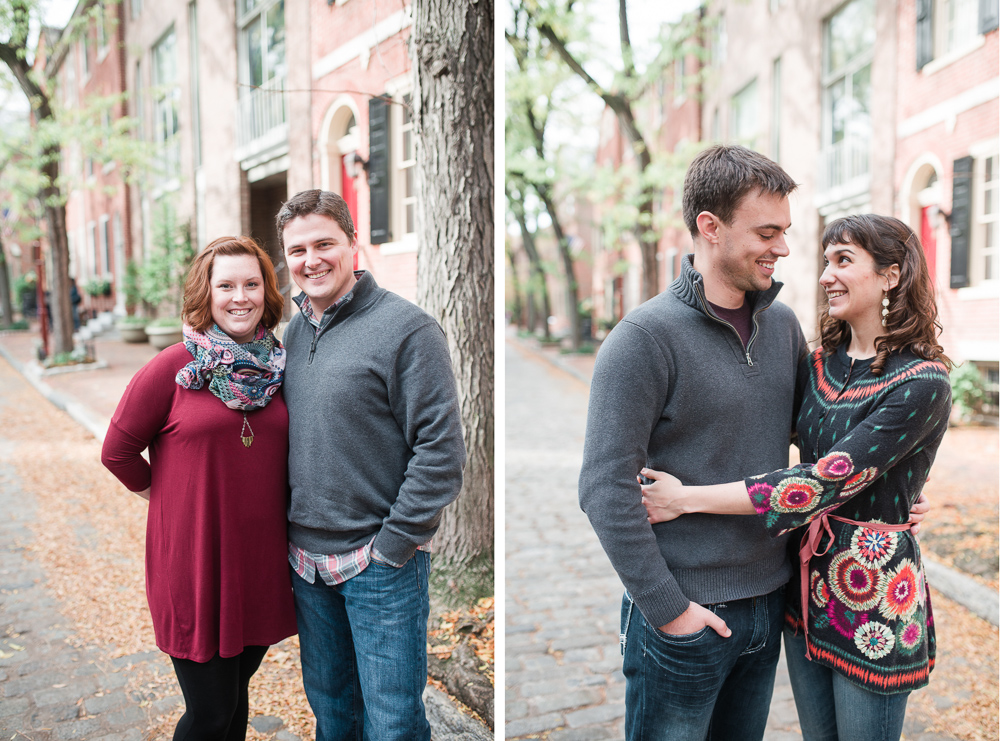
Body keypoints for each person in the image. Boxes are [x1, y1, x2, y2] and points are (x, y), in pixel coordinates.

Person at [641, 214, 951, 741]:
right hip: (803, 593)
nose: (827, 274)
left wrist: (684, 499)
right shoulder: (819, 362)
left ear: (891, 276)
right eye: (826, 261)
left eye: (844, 261)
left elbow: (824, 479)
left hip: (874, 601)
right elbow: (758, 435)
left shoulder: (922, 381)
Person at [579, 144, 806, 740]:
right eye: (767, 231)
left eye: (785, 231)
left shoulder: (783, 326)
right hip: (686, 614)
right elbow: (604, 490)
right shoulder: (643, 339)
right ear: (710, 227)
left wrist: (888, 490)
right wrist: (670, 612)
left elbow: (818, 439)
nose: (782, 248)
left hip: (767, 606)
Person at [275, 190, 466, 741]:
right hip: (307, 565)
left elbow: (441, 452)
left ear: (352, 245)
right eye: (297, 249)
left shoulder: (408, 329)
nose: (311, 260)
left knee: (394, 724)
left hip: (378, 566)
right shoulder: (293, 332)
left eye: (324, 244)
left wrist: (392, 548)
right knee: (333, 716)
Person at [101, 236, 297, 741]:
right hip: (193, 566)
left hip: (257, 566)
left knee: (234, 704)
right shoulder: (173, 367)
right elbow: (117, 452)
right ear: (204, 293)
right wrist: (162, 495)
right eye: (225, 284)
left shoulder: (279, 369)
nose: (240, 296)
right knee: (210, 713)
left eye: (251, 283)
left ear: (266, 291)